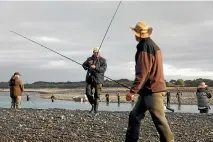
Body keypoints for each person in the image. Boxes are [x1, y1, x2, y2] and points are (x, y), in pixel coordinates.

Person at [125, 21, 174, 142]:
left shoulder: (145, 46)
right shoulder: (152, 45)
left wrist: (132, 91)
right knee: (135, 116)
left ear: (138, 34)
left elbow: (143, 73)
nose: (134, 35)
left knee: (160, 121)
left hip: (153, 90)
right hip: (148, 90)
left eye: (135, 33)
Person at [82, 47, 107, 113]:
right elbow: (83, 65)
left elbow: (103, 69)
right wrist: (88, 67)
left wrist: (95, 67)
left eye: (97, 52)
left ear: (99, 52)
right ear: (93, 52)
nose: (96, 53)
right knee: (88, 93)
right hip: (89, 79)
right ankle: (93, 105)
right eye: (95, 52)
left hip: (99, 79)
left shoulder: (103, 60)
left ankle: (96, 109)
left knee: (97, 95)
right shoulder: (89, 59)